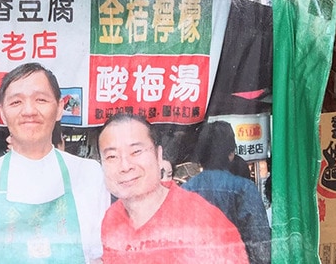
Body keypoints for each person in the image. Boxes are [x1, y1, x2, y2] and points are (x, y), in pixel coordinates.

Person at [0, 63, 109, 264]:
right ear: (2, 112)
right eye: (16, 102)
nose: (29, 110)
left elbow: (101, 255)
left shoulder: (89, 175)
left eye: (41, 99)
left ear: (60, 108)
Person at [98, 113, 249, 264]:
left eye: (136, 152)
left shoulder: (204, 222)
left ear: (159, 155)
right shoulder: (111, 218)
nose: (125, 166)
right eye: (112, 156)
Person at [184, 121, 271, 264]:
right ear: (231, 154)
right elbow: (261, 251)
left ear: (200, 156)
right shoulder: (244, 189)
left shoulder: (185, 191)